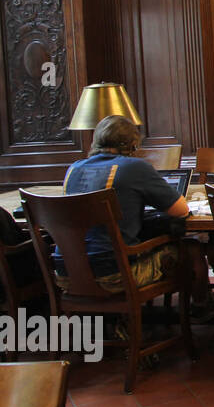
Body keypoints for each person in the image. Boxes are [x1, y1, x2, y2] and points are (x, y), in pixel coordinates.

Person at [60, 115, 194, 292]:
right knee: (190, 249)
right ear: (132, 145)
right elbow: (181, 210)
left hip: (67, 274)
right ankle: (201, 306)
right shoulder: (133, 167)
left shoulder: (74, 169)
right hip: (114, 275)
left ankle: (114, 318)